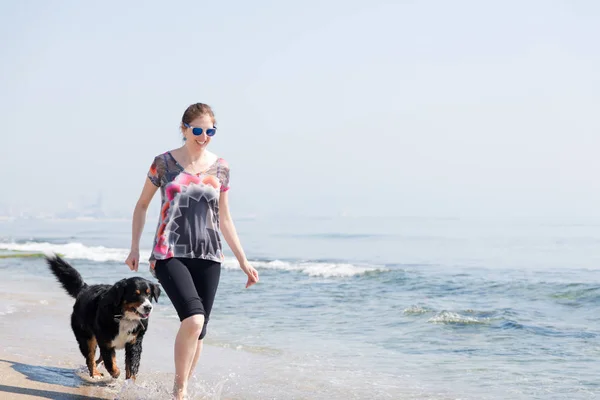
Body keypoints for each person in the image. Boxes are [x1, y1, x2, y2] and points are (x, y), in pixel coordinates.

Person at [125, 102, 259, 399]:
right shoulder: (163, 162)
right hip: (168, 253)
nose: (203, 135)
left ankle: (182, 385)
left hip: (210, 256)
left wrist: (243, 260)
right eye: (197, 130)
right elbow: (142, 205)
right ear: (184, 129)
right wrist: (134, 247)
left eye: (209, 130)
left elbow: (224, 217)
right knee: (194, 319)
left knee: (200, 330)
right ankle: (180, 390)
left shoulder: (221, 167)